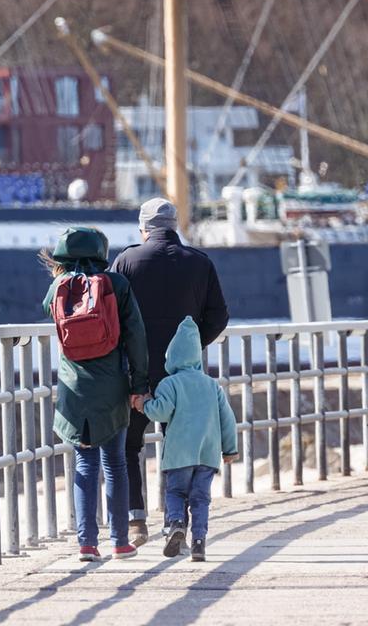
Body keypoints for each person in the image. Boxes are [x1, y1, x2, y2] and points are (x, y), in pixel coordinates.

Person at [112, 198, 229, 546]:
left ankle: (136, 521)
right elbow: (219, 316)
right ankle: (176, 521)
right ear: (174, 225)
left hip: (137, 372)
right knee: (178, 446)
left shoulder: (127, 261)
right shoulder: (199, 263)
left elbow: (113, 317)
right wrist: (190, 349)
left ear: (144, 228)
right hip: (185, 376)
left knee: (130, 446)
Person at [42, 227, 149, 561]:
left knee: (84, 463)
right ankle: (120, 542)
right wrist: (139, 384)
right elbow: (136, 338)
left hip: (75, 387)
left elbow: (51, 313)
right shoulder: (116, 285)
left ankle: (87, 543)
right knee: (115, 463)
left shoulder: (57, 288)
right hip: (113, 385)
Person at [134, 316, 238, 562]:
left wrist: (145, 403)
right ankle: (199, 542)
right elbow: (227, 419)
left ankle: (176, 524)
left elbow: (160, 412)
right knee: (201, 499)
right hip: (207, 453)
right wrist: (230, 449)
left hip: (179, 453)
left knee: (176, 492)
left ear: (172, 357)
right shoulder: (211, 385)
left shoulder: (170, 383)